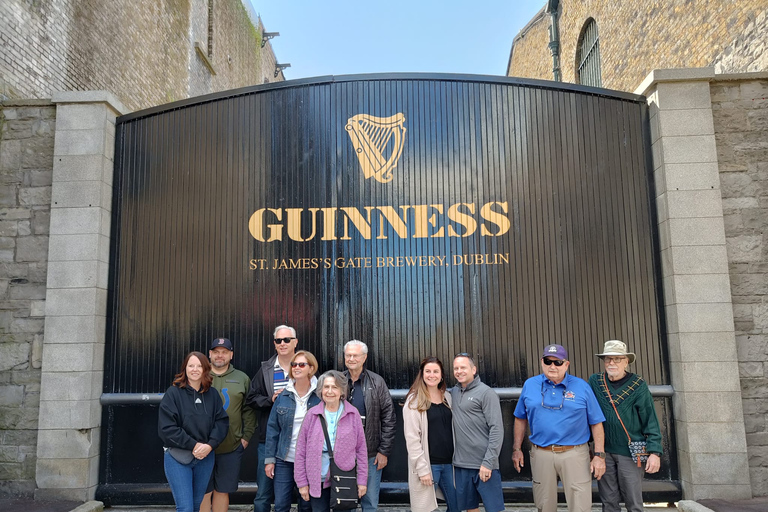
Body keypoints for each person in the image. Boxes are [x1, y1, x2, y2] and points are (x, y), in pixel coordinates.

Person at [512, 344, 607, 512]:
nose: (552, 366)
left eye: (558, 362)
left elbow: (596, 422)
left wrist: (599, 455)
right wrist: (516, 448)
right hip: (541, 453)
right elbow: (520, 418)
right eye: (548, 361)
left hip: (575, 453)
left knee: (580, 506)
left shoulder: (582, 386)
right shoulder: (530, 384)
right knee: (544, 505)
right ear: (542, 362)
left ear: (567, 364)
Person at [588, 340, 663, 512]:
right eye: (608, 359)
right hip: (603, 452)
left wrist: (655, 452)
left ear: (626, 361)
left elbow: (650, 419)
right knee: (608, 502)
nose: (611, 363)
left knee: (634, 502)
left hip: (630, 452)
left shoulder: (638, 385)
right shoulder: (595, 381)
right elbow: (586, 414)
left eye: (616, 359)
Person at [158, 352, 229, 512]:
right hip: (178, 458)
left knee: (196, 506)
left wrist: (210, 445)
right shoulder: (173, 394)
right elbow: (167, 429)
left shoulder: (212, 395)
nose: (195, 369)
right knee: (185, 508)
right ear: (185, 369)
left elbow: (221, 422)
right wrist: (194, 445)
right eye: (191, 366)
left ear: (205, 369)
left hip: (205, 458)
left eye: (199, 366)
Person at [295, 370, 368, 512]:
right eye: (326, 387)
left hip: (344, 478)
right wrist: (302, 482)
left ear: (342, 391)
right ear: (321, 390)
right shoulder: (312, 414)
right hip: (318, 480)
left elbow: (361, 450)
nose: (330, 391)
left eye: (334, 387)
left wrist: (362, 481)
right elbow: (301, 451)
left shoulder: (353, 414)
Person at [246, 325, 299, 512]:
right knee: (263, 493)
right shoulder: (266, 369)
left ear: (295, 342)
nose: (282, 344)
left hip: (299, 442)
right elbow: (251, 398)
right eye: (278, 340)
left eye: (287, 340)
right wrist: (270, 400)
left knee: (304, 492)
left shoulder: (304, 366)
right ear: (274, 344)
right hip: (269, 441)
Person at [200, 338, 257, 512]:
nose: (220, 355)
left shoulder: (242, 378)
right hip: (201, 445)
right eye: (216, 351)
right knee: (203, 490)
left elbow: (249, 409)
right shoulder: (199, 374)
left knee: (222, 490)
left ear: (231, 355)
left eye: (224, 352)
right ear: (209, 354)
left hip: (231, 446)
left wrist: (246, 437)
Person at [342, 339, 396, 512]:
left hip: (371, 454)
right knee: (344, 501)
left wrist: (384, 451)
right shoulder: (337, 381)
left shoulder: (377, 382)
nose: (351, 358)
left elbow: (389, 417)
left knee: (370, 502)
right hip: (343, 454)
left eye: (355, 355)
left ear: (364, 358)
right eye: (348, 355)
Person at [265, 351, 322, 512]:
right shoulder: (284, 396)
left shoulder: (320, 396)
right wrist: (270, 459)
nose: (296, 367)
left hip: (310, 460)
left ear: (311, 368)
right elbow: (273, 428)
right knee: (281, 504)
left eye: (301, 364)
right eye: (294, 364)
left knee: (306, 505)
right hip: (285, 459)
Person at [403, 357, 459, 512]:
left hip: (450, 465)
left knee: (457, 506)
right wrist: (422, 469)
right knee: (425, 509)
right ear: (422, 374)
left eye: (436, 371)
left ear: (441, 376)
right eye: (428, 371)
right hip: (429, 465)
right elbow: (412, 440)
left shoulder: (448, 397)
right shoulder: (414, 402)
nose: (431, 375)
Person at [451, 353, 504, 512]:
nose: (459, 371)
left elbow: (497, 429)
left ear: (473, 369)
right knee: (470, 509)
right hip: (461, 465)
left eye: (463, 367)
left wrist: (488, 462)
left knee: (495, 509)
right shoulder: (453, 392)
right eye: (456, 368)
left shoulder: (486, 393)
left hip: (484, 465)